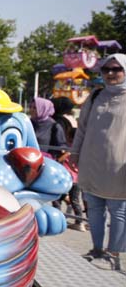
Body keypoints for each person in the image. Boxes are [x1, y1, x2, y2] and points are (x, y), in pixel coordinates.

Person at [71, 53, 126, 271]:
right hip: (91, 161)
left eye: (116, 69)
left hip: (119, 165)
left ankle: (114, 253)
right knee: (93, 208)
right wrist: (75, 152)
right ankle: (96, 249)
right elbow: (82, 128)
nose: (110, 73)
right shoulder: (95, 96)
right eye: (106, 69)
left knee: (118, 210)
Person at [51, 96, 84, 231]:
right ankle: (77, 220)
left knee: (58, 195)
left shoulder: (58, 122)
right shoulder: (69, 120)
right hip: (76, 176)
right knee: (71, 198)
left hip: (64, 170)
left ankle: (60, 219)